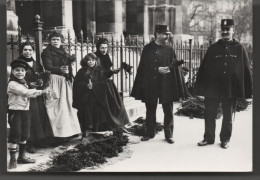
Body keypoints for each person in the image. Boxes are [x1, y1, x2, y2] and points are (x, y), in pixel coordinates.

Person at [194, 19, 253, 149]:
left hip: (230, 89)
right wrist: (200, 90)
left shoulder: (239, 48)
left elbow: (246, 70)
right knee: (209, 114)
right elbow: (203, 69)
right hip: (213, 89)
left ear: (233, 30)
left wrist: (248, 92)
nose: (225, 32)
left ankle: (225, 139)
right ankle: (208, 138)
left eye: (228, 29)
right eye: (223, 30)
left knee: (228, 116)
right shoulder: (213, 48)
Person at [131, 25, 188, 144]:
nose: (167, 36)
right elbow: (143, 67)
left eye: (168, 34)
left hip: (166, 84)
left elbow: (173, 64)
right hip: (151, 84)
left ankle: (169, 135)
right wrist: (156, 69)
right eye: (164, 34)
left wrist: (170, 69)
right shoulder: (147, 49)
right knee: (150, 109)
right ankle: (149, 133)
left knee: (168, 109)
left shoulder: (169, 49)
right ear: (156, 34)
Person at [72, 53, 129, 137]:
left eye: (93, 60)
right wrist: (86, 86)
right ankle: (88, 130)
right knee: (87, 111)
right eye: (89, 60)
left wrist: (111, 72)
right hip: (86, 96)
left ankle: (98, 131)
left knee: (99, 110)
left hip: (98, 96)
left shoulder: (99, 70)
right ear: (85, 61)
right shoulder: (81, 71)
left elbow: (104, 77)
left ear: (96, 61)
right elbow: (77, 83)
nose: (91, 62)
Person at [7, 59, 50, 169]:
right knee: (15, 135)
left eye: (22, 70)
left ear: (25, 72)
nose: (20, 72)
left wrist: (39, 90)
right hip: (15, 112)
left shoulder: (24, 83)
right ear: (12, 72)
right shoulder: (12, 84)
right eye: (17, 70)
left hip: (25, 111)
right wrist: (42, 91)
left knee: (25, 134)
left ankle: (21, 156)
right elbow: (24, 93)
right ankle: (12, 159)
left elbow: (30, 94)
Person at [41, 31, 81, 140]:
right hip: (54, 80)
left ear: (61, 41)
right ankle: (58, 134)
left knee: (67, 105)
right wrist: (60, 69)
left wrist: (70, 75)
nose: (55, 41)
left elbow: (69, 65)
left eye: (57, 40)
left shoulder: (64, 51)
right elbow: (47, 66)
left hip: (65, 80)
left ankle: (70, 131)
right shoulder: (46, 52)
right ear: (50, 41)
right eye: (53, 39)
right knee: (57, 106)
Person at [17, 42, 53, 153]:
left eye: (30, 50)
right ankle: (29, 143)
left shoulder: (37, 64)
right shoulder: (18, 63)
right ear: (22, 51)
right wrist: (28, 84)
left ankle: (39, 141)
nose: (27, 52)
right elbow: (16, 78)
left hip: (37, 94)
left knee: (40, 115)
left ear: (33, 51)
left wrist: (41, 81)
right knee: (30, 118)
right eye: (25, 50)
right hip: (26, 95)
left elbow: (42, 76)